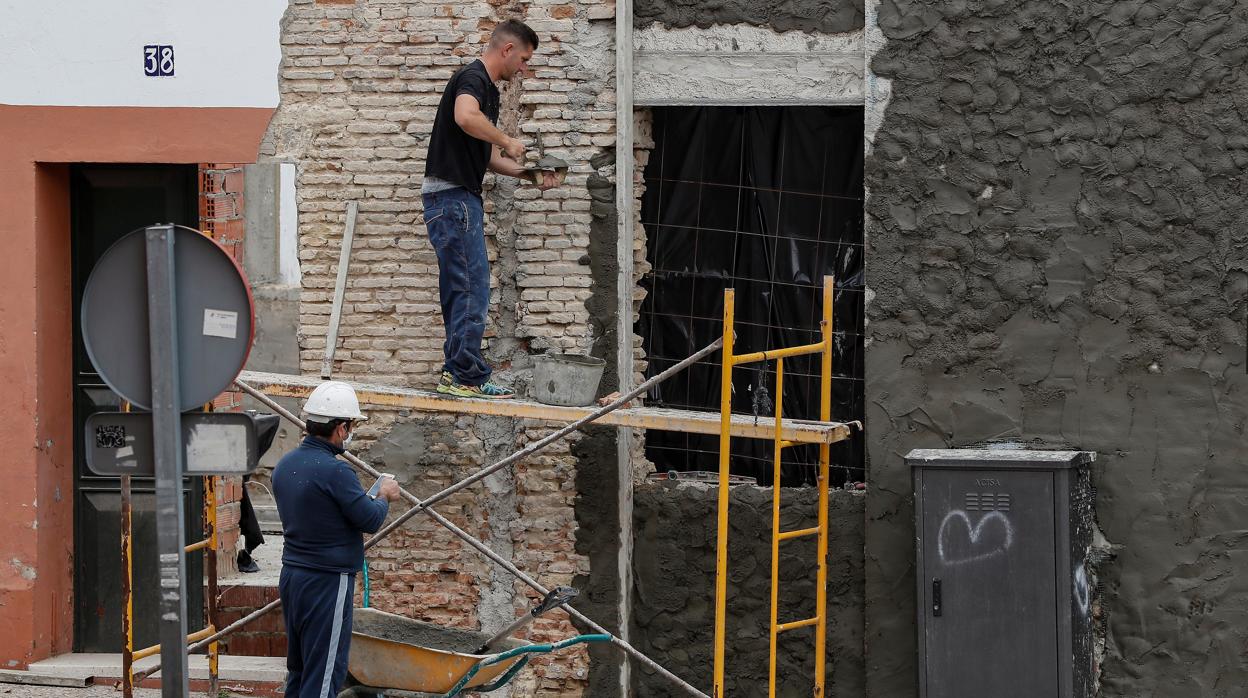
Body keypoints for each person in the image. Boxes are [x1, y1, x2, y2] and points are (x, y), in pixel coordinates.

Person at [422, 18, 560, 399]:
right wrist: (507, 139)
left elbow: (488, 158)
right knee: (472, 287)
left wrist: (529, 174)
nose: (525, 68)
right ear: (507, 50)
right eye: (525, 59)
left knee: (461, 288)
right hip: (453, 199)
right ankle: (466, 376)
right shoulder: (475, 78)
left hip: (452, 198)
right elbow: (464, 117)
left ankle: (457, 373)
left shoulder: (489, 91)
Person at [271, 381, 401, 697]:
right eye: (351, 426)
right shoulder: (336, 471)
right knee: (325, 673)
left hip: (293, 577)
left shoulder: (286, 464)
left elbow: (327, 511)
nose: (351, 432)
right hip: (327, 581)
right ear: (341, 429)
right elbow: (369, 520)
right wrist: (383, 495)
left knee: (299, 671)